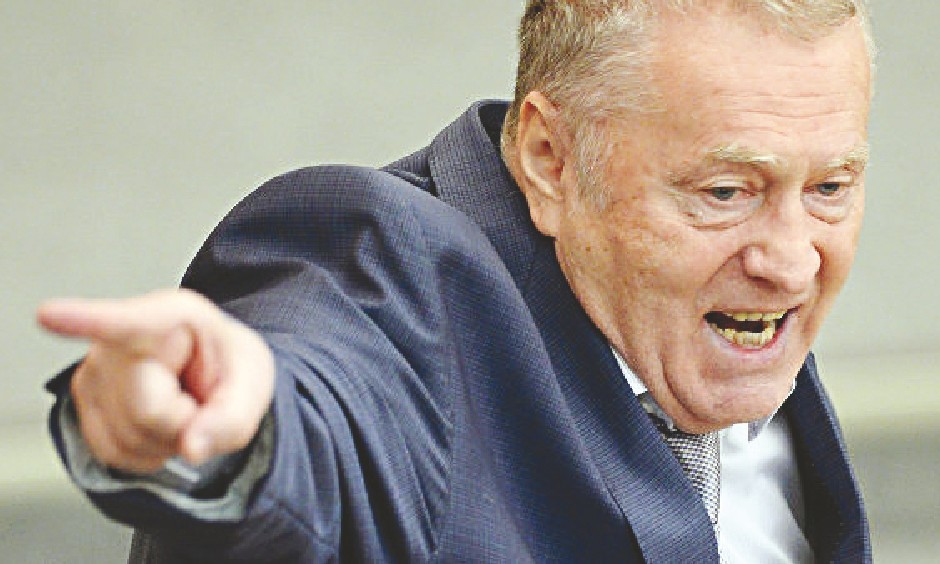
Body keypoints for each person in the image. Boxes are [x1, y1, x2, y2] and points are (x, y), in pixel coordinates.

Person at [38, 0, 874, 562]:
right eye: (725, 193)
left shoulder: (710, 304)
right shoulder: (386, 261)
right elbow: (324, 401)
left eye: (831, 188)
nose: (793, 262)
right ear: (550, 159)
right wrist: (238, 429)